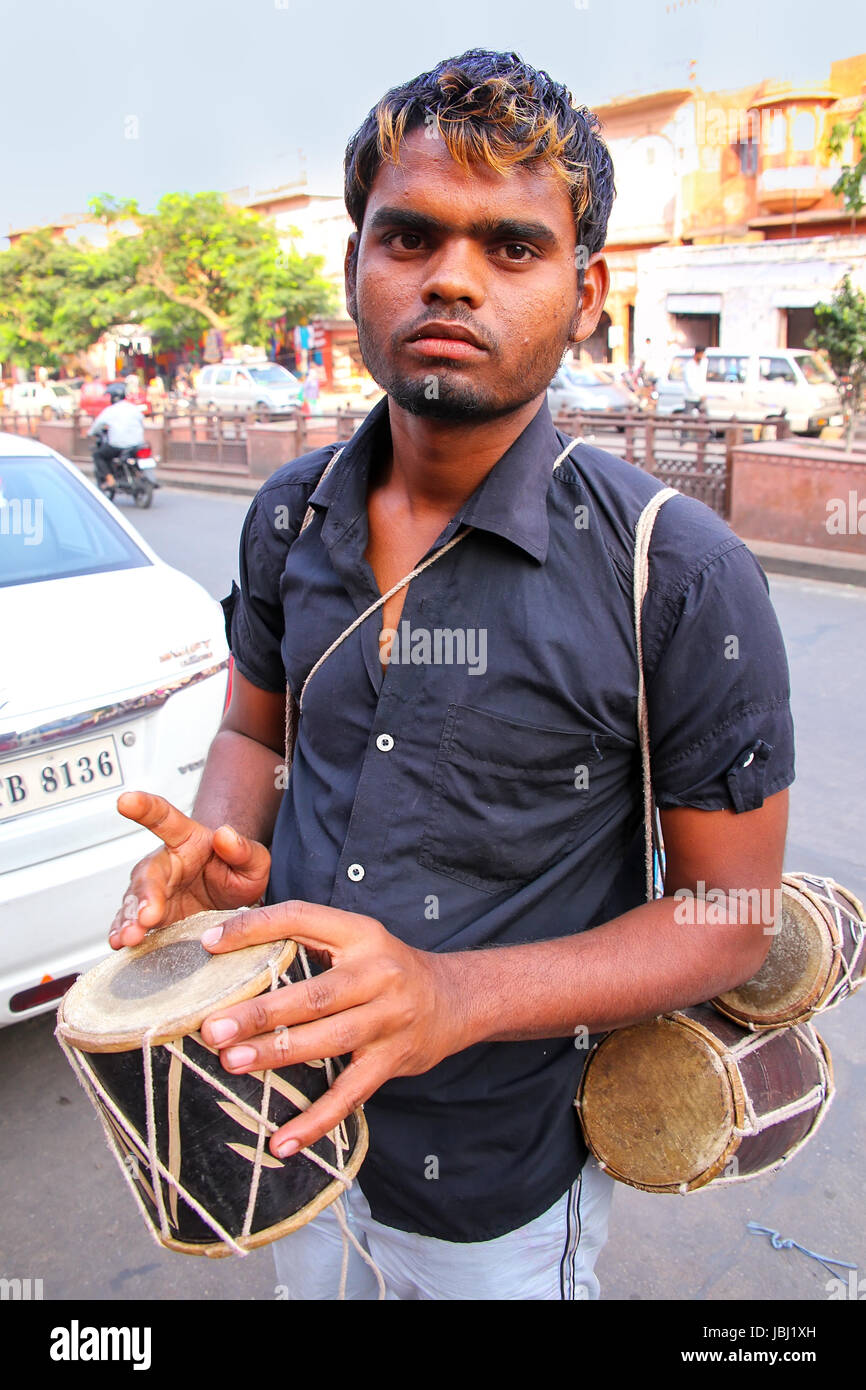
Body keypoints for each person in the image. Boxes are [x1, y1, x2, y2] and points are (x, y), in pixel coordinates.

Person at [108, 50, 793, 1300]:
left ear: (585, 291)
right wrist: (215, 842)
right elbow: (255, 739)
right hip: (287, 1132)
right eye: (409, 235)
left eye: (511, 248)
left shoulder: (675, 573)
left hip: (498, 1188)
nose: (452, 278)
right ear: (355, 265)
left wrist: (447, 994)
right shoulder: (285, 517)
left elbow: (729, 916)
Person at [87, 381, 145, 488]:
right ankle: (135, 474)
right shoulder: (133, 408)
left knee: (98, 455)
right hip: (137, 444)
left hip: (118, 446)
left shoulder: (110, 411)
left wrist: (90, 433)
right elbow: (142, 421)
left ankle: (110, 479)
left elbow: (97, 425)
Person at [682, 345, 707, 413]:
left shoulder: (702, 364)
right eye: (702, 354)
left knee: (704, 419)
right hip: (690, 397)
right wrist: (700, 394)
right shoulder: (689, 366)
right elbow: (689, 383)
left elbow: (702, 380)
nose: (703, 356)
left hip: (701, 398)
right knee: (688, 419)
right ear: (697, 354)